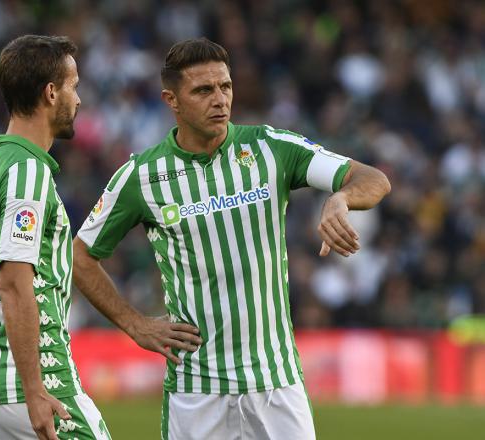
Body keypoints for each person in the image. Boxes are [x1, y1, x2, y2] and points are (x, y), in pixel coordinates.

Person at [73, 38, 390, 439]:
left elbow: (373, 179)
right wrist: (136, 325)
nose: (219, 99)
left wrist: (340, 198)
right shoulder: (142, 176)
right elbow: (81, 255)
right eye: (203, 91)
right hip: (196, 391)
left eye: (225, 86)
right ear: (171, 100)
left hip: (276, 383)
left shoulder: (270, 148)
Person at [0, 35, 110, 440]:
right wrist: (34, 389)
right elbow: (14, 283)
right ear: (51, 92)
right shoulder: (28, 171)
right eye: (74, 86)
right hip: (34, 383)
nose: (79, 99)